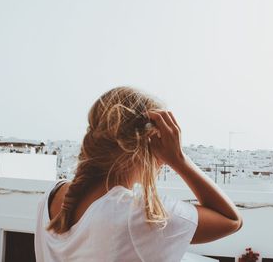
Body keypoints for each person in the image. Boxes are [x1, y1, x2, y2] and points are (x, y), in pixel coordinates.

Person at [34, 86, 243, 262]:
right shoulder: (134, 215)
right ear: (147, 144)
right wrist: (179, 159)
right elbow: (231, 220)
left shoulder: (51, 196)